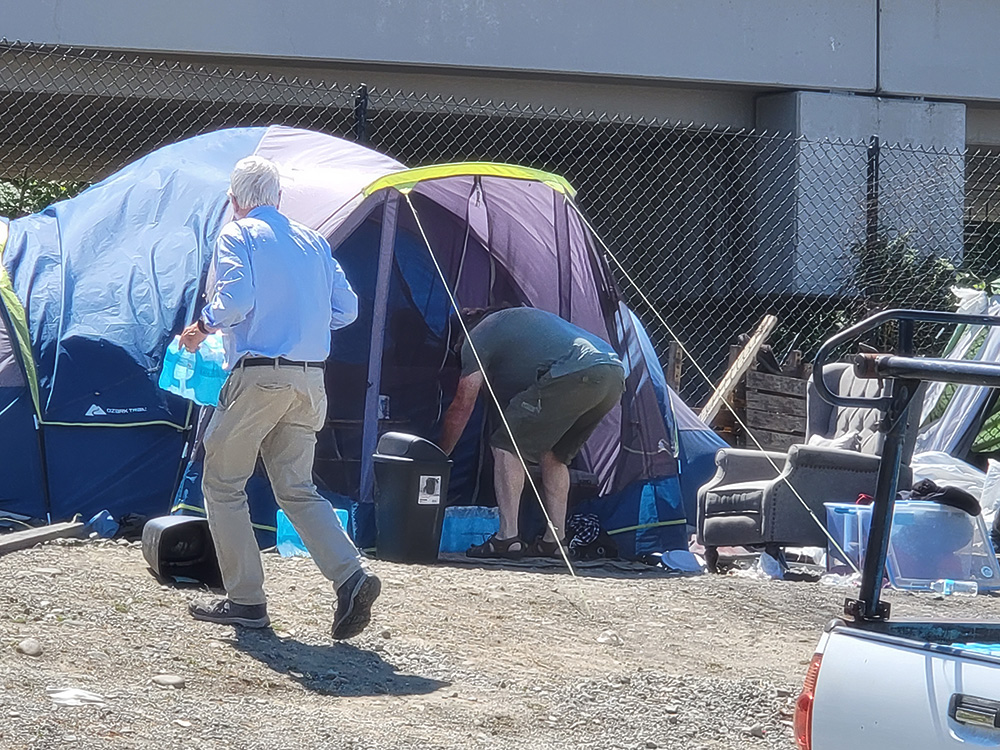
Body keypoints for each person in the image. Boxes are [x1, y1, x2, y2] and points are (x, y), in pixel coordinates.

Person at [178, 156, 380, 638]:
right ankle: (351, 575)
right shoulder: (312, 240)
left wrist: (202, 327)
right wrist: (303, 324)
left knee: (223, 483)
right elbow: (347, 310)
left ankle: (247, 601)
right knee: (296, 488)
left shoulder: (238, 233)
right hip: (311, 380)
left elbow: (236, 300)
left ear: (234, 200)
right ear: (279, 199)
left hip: (259, 375)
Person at [438, 306, 626, 559]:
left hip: (576, 372)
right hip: (612, 373)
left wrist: (440, 454)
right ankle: (555, 542)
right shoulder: (518, 324)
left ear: (462, 334)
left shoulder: (477, 336)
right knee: (555, 456)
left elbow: (463, 402)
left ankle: (507, 538)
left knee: (506, 443)